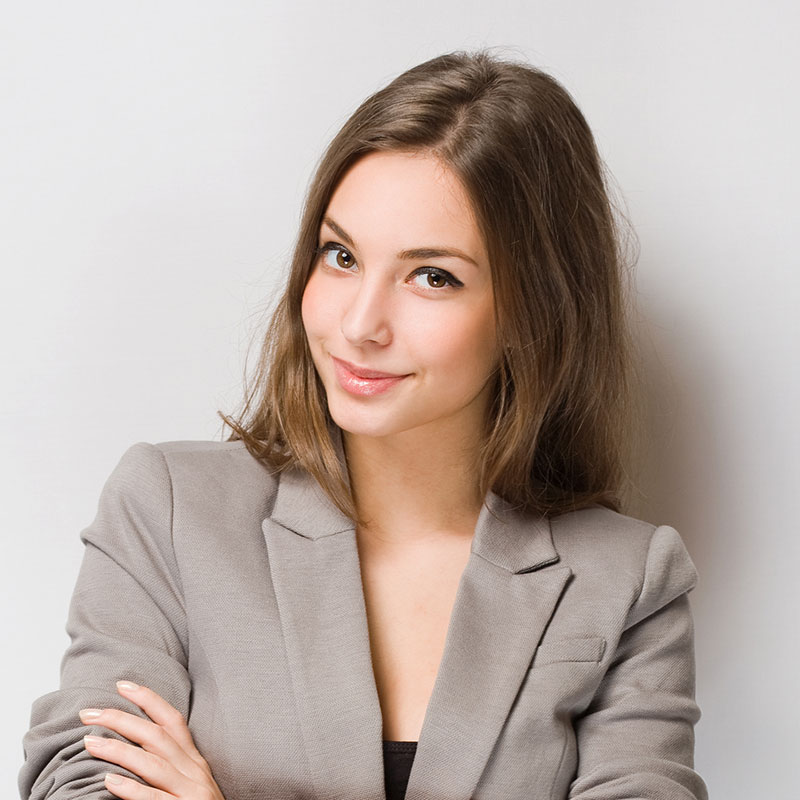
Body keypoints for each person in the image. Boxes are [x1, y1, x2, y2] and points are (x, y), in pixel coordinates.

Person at [18, 50, 708, 800]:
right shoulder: (170, 510)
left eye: (432, 276)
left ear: (532, 310)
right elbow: (78, 783)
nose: (358, 324)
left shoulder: (628, 581)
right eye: (340, 255)